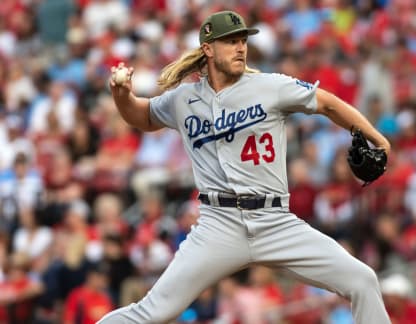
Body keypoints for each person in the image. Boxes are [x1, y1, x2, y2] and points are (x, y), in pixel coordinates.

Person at [98, 10, 391, 324]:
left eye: (242, 41)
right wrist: (121, 95)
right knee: (150, 313)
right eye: (230, 42)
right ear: (208, 49)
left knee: (362, 280)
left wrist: (376, 138)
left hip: (274, 221)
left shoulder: (270, 86)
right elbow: (141, 116)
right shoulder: (183, 99)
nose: (240, 47)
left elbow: (328, 103)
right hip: (217, 225)